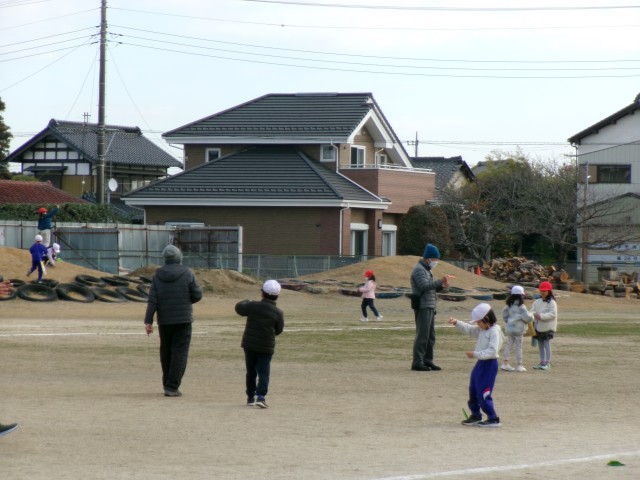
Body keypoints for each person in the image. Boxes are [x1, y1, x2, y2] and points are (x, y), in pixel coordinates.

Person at [144, 245, 203, 397]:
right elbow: (197, 294)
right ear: (179, 257)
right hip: (183, 319)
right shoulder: (187, 273)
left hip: (164, 320)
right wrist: (186, 301)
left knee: (166, 352)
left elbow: (153, 299)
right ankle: (172, 386)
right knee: (180, 353)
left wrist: (148, 321)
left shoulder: (157, 275)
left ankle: (167, 384)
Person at [448, 303, 504, 428]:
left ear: (486, 319)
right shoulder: (482, 329)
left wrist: (475, 354)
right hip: (480, 363)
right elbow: (469, 329)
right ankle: (475, 414)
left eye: (479, 322)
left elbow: (493, 351)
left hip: (489, 364)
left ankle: (493, 417)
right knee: (473, 388)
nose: (478, 325)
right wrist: (457, 322)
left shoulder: (494, 331)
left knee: (484, 391)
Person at [235, 279, 285, 409]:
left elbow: (239, 308)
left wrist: (248, 300)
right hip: (266, 346)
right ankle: (261, 396)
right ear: (277, 296)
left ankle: (250, 397)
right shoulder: (278, 313)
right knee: (264, 372)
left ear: (262, 293)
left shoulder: (253, 306)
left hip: (250, 345)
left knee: (251, 371)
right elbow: (279, 330)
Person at [409, 243, 450, 371]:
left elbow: (431, 288)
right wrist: (439, 281)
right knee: (422, 335)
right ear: (428, 258)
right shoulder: (419, 270)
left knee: (430, 336)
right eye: (435, 258)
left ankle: (428, 360)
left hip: (430, 305)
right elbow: (424, 286)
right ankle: (417, 362)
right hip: (423, 305)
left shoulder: (427, 270)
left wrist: (442, 286)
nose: (436, 261)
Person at [501, 285, 534, 372]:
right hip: (519, 330)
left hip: (510, 329)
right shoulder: (521, 306)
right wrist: (532, 316)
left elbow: (504, 316)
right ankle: (519, 365)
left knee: (508, 345)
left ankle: (504, 363)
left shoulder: (508, 305)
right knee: (518, 347)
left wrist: (508, 322)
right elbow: (527, 318)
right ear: (521, 296)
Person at [531, 281, 558, 370]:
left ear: (549, 291)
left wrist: (541, 316)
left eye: (545, 291)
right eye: (541, 291)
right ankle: (542, 362)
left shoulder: (552, 302)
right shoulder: (537, 301)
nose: (543, 292)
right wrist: (534, 315)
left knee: (546, 343)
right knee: (540, 345)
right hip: (538, 327)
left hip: (548, 327)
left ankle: (547, 363)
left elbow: (553, 314)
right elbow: (532, 311)